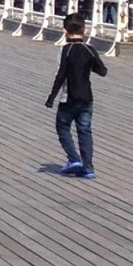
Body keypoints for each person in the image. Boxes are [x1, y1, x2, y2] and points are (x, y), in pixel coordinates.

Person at [45, 12, 108, 178]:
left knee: (62, 127)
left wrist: (51, 97)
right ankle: (88, 168)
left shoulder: (65, 50)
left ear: (64, 30)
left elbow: (61, 75)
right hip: (86, 98)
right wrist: (89, 65)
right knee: (84, 131)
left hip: (69, 98)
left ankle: (74, 159)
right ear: (84, 30)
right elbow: (103, 71)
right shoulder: (89, 49)